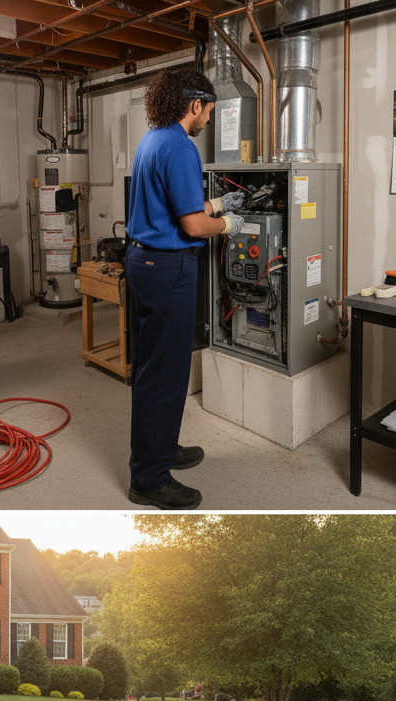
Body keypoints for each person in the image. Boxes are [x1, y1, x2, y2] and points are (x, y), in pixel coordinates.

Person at [124, 68, 247, 510]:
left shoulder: (152, 140)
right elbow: (194, 225)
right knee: (167, 372)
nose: (209, 119)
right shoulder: (180, 146)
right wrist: (228, 223)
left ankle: (160, 447)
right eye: (209, 111)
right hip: (169, 267)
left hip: (143, 260)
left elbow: (170, 205)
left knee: (153, 366)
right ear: (194, 104)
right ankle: (150, 479)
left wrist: (218, 203)